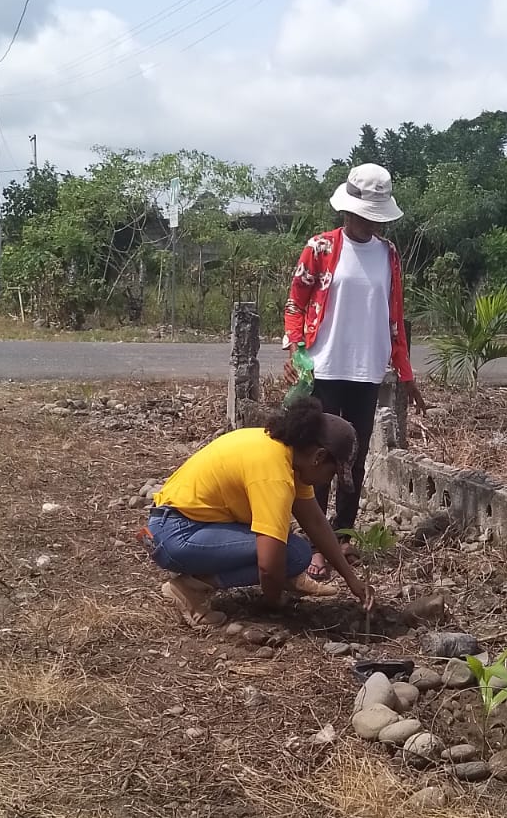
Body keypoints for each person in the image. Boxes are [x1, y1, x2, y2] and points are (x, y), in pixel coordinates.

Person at [284, 162, 425, 582]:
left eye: (375, 217)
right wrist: (295, 350)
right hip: (325, 365)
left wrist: (405, 372)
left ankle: (343, 534)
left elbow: (394, 315)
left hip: (367, 368)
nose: (369, 223)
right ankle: (316, 541)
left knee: (354, 455)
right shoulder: (320, 248)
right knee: (319, 454)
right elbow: (296, 302)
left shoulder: (389, 254)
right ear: (347, 211)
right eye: (363, 215)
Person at [146, 398, 374, 625]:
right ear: (319, 457)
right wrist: (274, 601)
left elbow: (314, 521)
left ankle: (285, 577)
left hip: (175, 524)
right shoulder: (274, 475)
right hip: (176, 534)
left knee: (290, 553)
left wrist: (351, 580)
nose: (329, 480)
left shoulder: (286, 453)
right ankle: (190, 588)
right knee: (292, 555)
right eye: (332, 473)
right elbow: (268, 566)